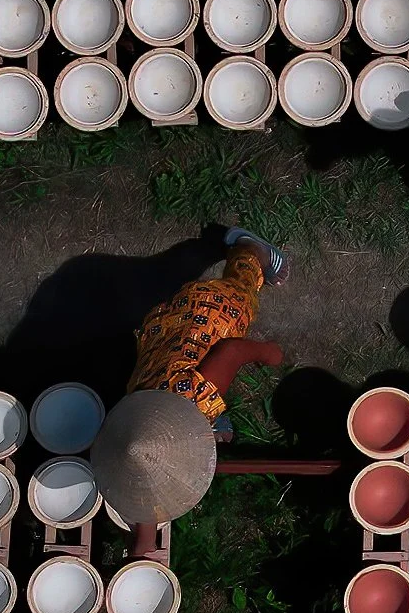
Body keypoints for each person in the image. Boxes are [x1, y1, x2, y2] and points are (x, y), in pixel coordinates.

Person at [90, 227, 289, 544]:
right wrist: (143, 546)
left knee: (243, 291)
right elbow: (146, 465)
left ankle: (251, 250)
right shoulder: (132, 417)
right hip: (167, 330)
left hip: (214, 312)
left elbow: (232, 351)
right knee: (206, 387)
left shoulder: (195, 399)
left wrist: (268, 353)